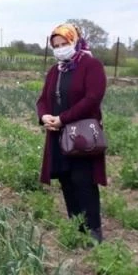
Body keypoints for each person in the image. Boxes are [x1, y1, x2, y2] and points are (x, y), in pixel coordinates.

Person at [36, 23, 107, 243]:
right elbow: (43, 99)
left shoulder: (91, 65)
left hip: (82, 135)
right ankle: (77, 227)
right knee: (65, 178)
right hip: (58, 134)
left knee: (83, 179)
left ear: (75, 41)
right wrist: (45, 116)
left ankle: (93, 230)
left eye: (64, 43)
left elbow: (92, 98)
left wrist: (63, 119)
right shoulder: (55, 70)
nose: (60, 49)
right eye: (56, 46)